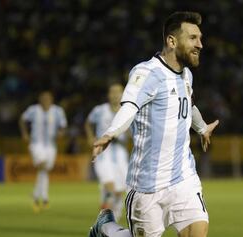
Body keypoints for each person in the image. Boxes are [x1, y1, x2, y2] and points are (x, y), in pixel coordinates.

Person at [88, 11, 219, 237]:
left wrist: (201, 127)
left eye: (200, 38)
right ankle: (107, 228)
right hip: (146, 184)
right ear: (171, 40)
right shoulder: (146, 72)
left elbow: (188, 104)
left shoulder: (187, 76)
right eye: (193, 38)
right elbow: (128, 106)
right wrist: (110, 133)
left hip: (183, 178)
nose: (200, 44)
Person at [85, 82, 129, 221]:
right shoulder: (100, 110)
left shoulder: (127, 111)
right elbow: (88, 123)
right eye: (113, 92)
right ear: (108, 95)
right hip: (103, 154)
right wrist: (91, 137)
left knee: (119, 191)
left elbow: (132, 133)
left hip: (121, 153)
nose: (115, 95)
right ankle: (105, 217)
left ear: (123, 94)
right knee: (110, 186)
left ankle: (112, 218)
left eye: (118, 92)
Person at [19, 91, 67, 212]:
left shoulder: (58, 111)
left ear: (51, 100)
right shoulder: (33, 110)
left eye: (48, 99)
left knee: (44, 170)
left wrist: (61, 133)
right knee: (42, 166)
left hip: (51, 146)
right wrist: (24, 133)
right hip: (36, 144)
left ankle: (36, 195)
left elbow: (63, 125)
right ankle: (44, 197)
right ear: (39, 100)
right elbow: (22, 119)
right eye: (43, 98)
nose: (45, 101)